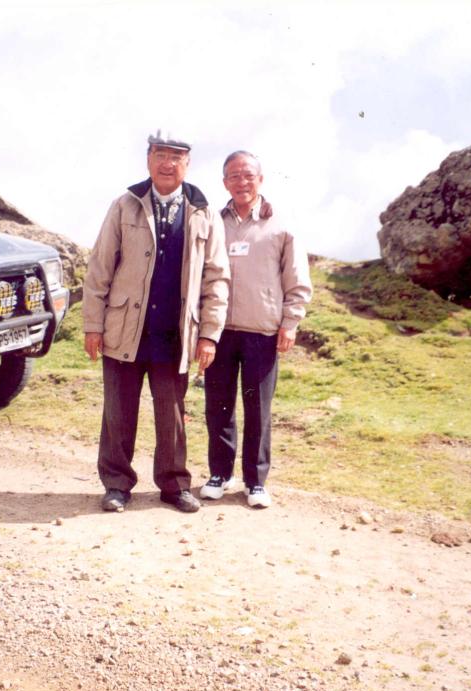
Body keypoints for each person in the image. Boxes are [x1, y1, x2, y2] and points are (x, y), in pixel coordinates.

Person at [83, 130, 230, 514]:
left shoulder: (204, 213)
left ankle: (174, 485)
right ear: (148, 158)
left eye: (176, 157)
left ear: (188, 163)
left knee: (172, 415)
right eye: (160, 155)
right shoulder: (124, 205)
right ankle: (116, 485)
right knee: (118, 413)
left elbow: (217, 278)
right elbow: (99, 268)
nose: (167, 164)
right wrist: (92, 325)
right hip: (124, 329)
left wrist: (210, 335)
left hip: (174, 334)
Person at [200, 151, 312, 509]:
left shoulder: (280, 223)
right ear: (224, 183)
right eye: (234, 176)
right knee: (218, 406)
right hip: (219, 332)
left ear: (260, 179)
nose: (241, 182)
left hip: (262, 331)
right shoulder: (214, 223)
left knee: (257, 409)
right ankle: (219, 473)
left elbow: (297, 279)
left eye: (248, 175)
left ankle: (256, 481)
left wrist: (290, 322)